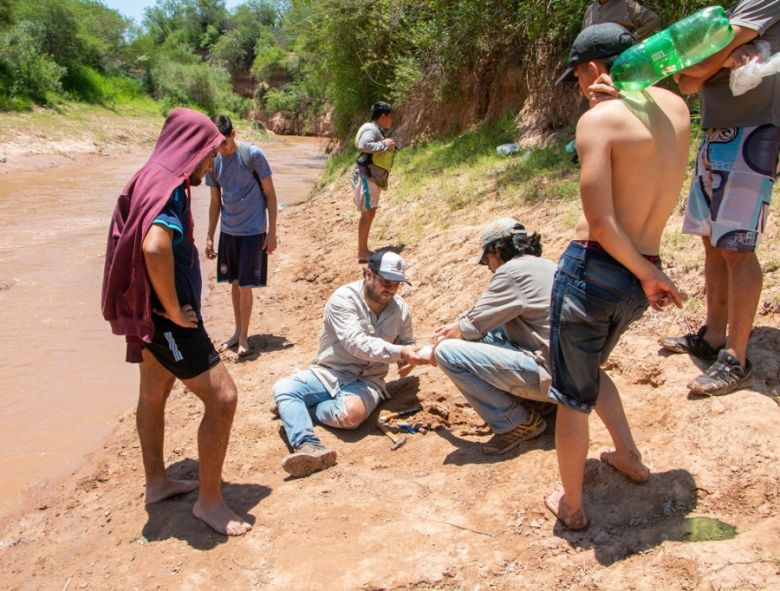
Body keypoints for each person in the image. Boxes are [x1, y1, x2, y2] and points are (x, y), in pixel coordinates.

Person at [547, 23, 690, 530]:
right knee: (589, 368)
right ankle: (628, 456)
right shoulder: (676, 107)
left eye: (579, 77)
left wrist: (596, 113)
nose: (581, 88)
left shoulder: (600, 120)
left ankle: (572, 505)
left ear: (593, 68)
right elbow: (644, 165)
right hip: (642, 271)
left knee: (570, 396)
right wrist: (649, 275)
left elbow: (604, 224)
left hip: (596, 270)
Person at [102, 108, 251, 536]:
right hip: (169, 321)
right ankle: (210, 501)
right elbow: (153, 248)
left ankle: (157, 482)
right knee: (223, 398)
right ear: (191, 150)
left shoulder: (149, 174)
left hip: (146, 312)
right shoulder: (170, 189)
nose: (211, 164)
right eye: (208, 155)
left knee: (153, 393)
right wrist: (171, 308)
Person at [663, 1, 779, 396]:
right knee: (712, 239)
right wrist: (724, 58)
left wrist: (706, 60)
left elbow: (693, 69)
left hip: (754, 132)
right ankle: (713, 336)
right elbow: (686, 81)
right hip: (717, 131)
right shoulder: (733, 9)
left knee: (737, 246)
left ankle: (736, 357)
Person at [272, 251, 429, 478]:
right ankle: (308, 445)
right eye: (386, 282)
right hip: (330, 372)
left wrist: (408, 360)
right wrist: (400, 352)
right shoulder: (343, 299)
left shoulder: (402, 309)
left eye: (397, 285)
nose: (391, 290)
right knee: (284, 388)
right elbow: (357, 343)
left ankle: (302, 409)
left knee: (351, 416)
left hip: (368, 380)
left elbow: (407, 342)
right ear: (368, 274)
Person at [431, 218, 557, 455]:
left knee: (446, 352)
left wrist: (436, 345)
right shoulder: (547, 265)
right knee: (494, 332)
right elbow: (483, 320)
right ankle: (539, 403)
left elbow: (470, 327)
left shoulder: (511, 272)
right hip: (571, 372)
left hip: (552, 377)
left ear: (497, 249)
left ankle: (516, 423)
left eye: (487, 258)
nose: (488, 266)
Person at [205, 114, 278, 357]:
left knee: (245, 285)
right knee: (234, 284)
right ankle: (237, 332)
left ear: (233, 134)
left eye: (224, 143)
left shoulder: (252, 155)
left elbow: (270, 194)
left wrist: (272, 233)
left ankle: (245, 337)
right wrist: (209, 236)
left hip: (253, 231)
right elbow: (215, 202)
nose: (221, 149)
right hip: (229, 232)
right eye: (216, 146)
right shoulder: (213, 161)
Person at [352, 101, 396, 263]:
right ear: (383, 116)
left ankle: (363, 250)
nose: (391, 120)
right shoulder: (371, 130)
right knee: (368, 212)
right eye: (390, 117)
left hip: (369, 176)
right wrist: (384, 144)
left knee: (369, 212)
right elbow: (364, 145)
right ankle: (362, 252)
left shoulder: (374, 129)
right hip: (367, 176)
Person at [582, 0, 661, 40]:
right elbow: (582, 38)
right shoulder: (590, 10)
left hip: (619, 63)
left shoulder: (626, 5)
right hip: (594, 64)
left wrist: (632, 39)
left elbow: (653, 20)